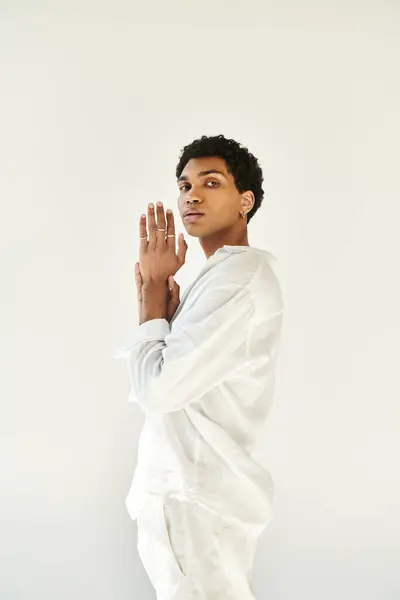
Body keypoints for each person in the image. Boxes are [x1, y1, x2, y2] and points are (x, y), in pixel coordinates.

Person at [113, 134, 284, 599]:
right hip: (185, 495)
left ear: (245, 201)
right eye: (184, 184)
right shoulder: (216, 279)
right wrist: (160, 308)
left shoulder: (238, 276)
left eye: (211, 182)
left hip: (197, 497)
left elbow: (158, 391)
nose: (192, 194)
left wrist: (152, 293)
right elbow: (167, 386)